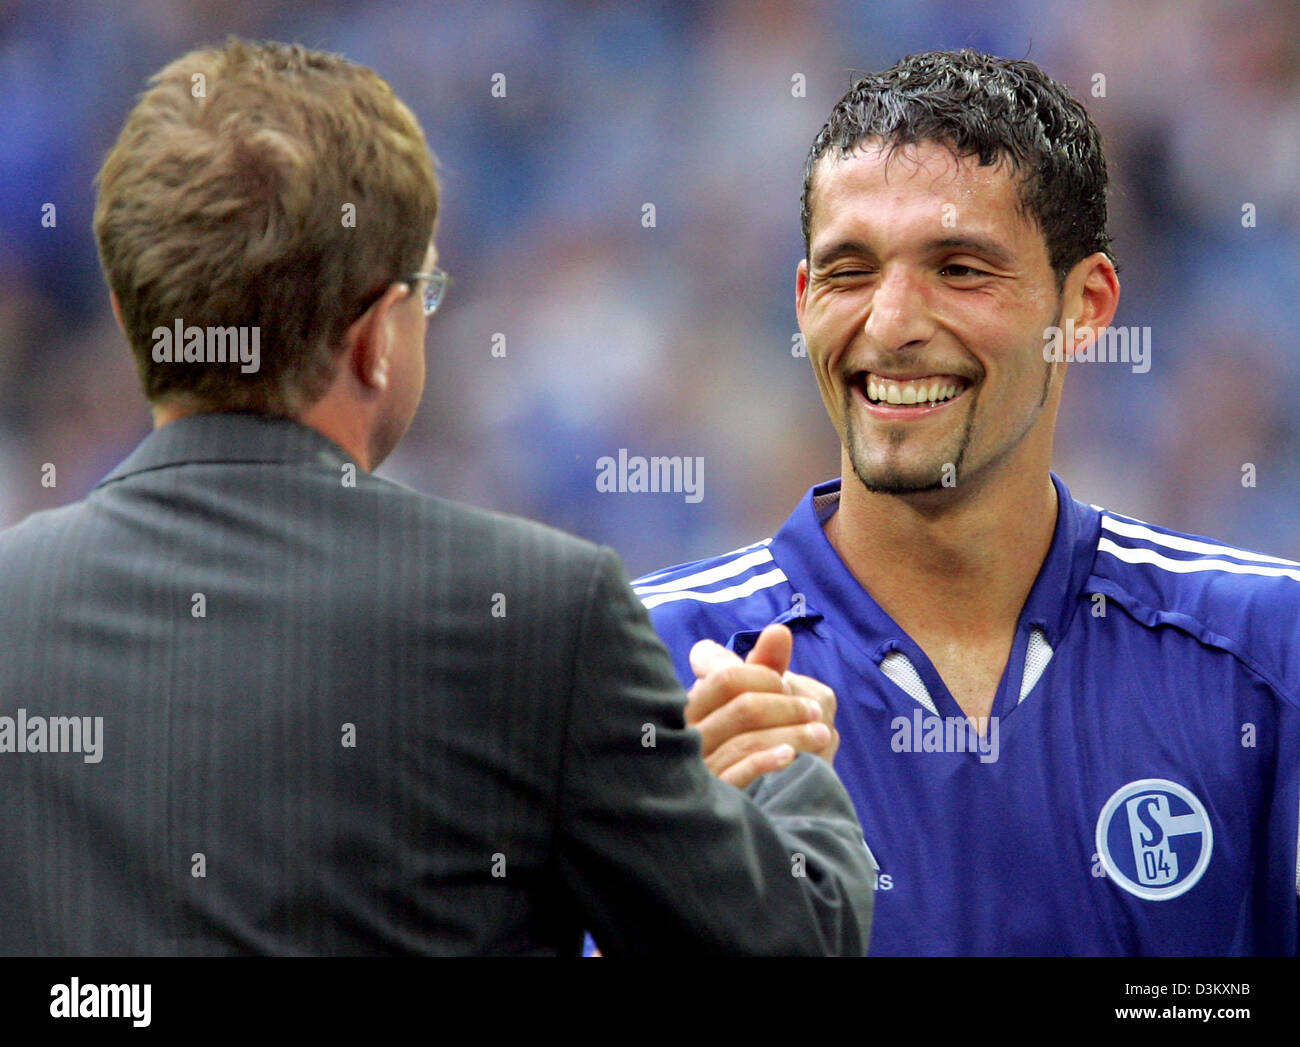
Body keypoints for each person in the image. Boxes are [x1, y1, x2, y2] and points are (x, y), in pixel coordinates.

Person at [0, 37, 876, 956]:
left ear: (125, 317)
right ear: (380, 337)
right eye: (427, 291)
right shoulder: (539, 616)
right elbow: (788, 940)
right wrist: (785, 769)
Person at [633, 49, 1300, 956]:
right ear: (803, 302)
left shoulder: (1269, 652)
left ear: (1086, 304)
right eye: (850, 270)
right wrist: (672, 888)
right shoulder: (643, 671)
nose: (892, 322)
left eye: (959, 268)